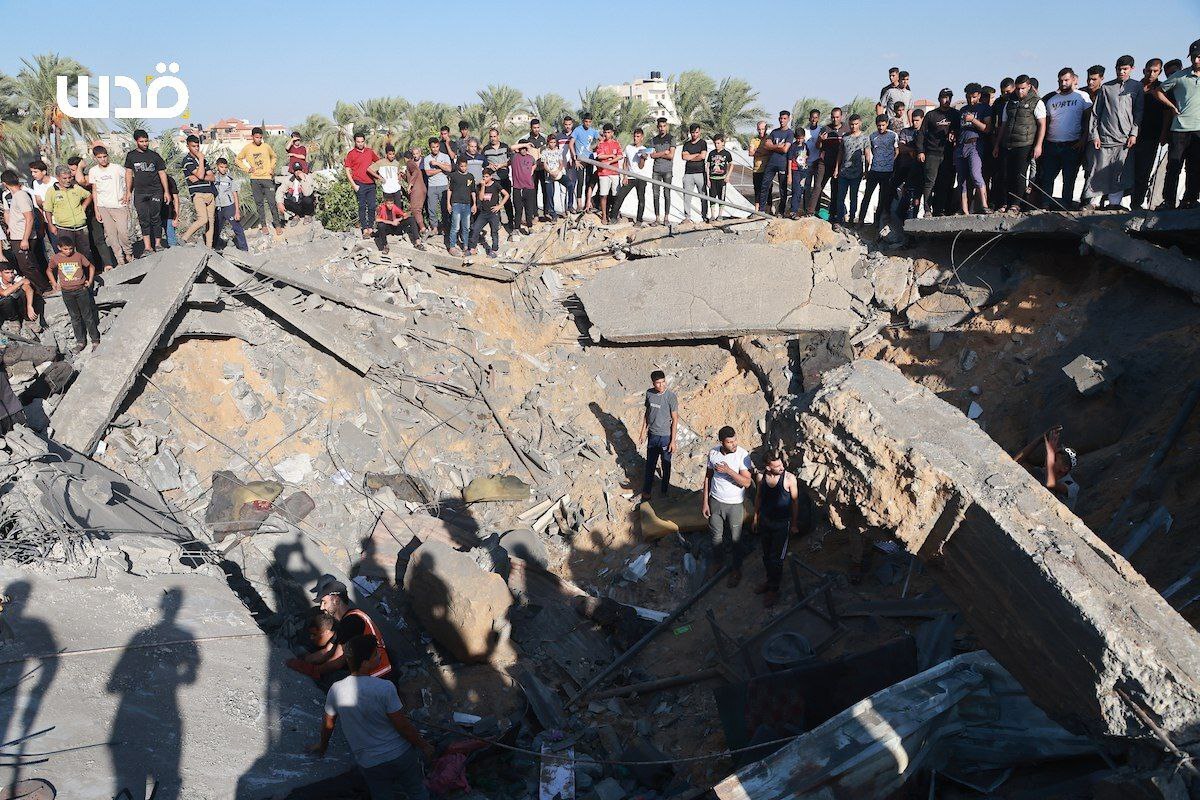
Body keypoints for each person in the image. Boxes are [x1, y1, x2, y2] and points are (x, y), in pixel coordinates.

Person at [310, 635, 434, 800]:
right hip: (400, 755)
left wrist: (322, 746)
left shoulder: (336, 690)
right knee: (417, 792)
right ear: (364, 663)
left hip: (370, 763)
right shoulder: (385, 688)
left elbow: (328, 723)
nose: (379, 656)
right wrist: (424, 745)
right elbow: (403, 727)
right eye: (375, 654)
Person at [290, 580, 392, 681]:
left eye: (324, 602)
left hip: (377, 676)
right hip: (366, 672)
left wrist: (313, 670)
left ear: (336, 600)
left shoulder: (352, 621)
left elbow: (337, 661)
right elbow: (328, 651)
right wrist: (304, 659)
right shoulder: (346, 620)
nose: (321, 607)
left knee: (331, 678)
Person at [1085, 56, 1143, 210]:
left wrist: (1134, 134)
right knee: (1098, 170)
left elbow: (1138, 113)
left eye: (1125, 69)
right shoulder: (1106, 87)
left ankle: (1114, 204)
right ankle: (1093, 203)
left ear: (1132, 69)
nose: (1122, 72)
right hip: (1104, 137)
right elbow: (1096, 113)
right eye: (1119, 69)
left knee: (1120, 172)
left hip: (1124, 139)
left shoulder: (1136, 87)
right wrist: (1095, 135)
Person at [752, 452, 807, 608]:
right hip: (766, 521)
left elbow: (795, 502)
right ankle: (769, 581)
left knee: (777, 558)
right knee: (766, 555)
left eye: (781, 464)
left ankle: (774, 589)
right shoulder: (761, 477)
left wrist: (794, 523)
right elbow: (759, 497)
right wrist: (756, 517)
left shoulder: (789, 479)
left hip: (782, 524)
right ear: (768, 467)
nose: (782, 468)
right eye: (777, 466)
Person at [702, 425, 752, 588]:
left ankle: (736, 569)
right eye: (730, 442)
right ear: (722, 442)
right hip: (716, 501)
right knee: (716, 536)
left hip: (735, 505)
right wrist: (705, 502)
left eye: (735, 440)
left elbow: (747, 482)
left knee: (736, 539)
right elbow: (708, 477)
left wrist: (729, 470)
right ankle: (718, 563)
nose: (734, 444)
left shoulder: (742, 455)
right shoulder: (714, 453)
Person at [1038, 69, 1091, 209]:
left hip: (1072, 144)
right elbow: (1047, 122)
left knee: (1069, 178)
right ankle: (1046, 204)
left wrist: (1083, 139)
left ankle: (1066, 204)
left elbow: (1088, 120)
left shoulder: (1082, 97)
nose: (1063, 83)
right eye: (1061, 81)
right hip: (1052, 143)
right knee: (1048, 176)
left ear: (1073, 80)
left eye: (1066, 80)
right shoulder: (1052, 99)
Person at [994, 77, 1045, 213]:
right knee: (1004, 174)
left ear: (1029, 87)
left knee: (1019, 175)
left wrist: (1038, 145)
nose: (1020, 91)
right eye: (1018, 89)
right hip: (1007, 143)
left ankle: (1016, 204)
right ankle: (1004, 203)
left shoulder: (1037, 102)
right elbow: (1003, 124)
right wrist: (997, 144)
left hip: (1025, 143)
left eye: (1023, 88)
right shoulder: (1009, 102)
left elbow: (1042, 124)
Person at [1159, 41, 1200, 210]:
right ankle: (1168, 201)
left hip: (1198, 130)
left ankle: (1189, 199)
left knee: (1195, 167)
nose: (1196, 60)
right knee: (1174, 166)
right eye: (1193, 57)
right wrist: (1172, 106)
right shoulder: (1180, 75)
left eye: (1199, 57)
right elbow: (1159, 91)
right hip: (1179, 128)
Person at [46, 239, 99, 353]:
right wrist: (54, 283)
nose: (69, 251)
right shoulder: (56, 258)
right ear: (59, 247)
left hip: (81, 290)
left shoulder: (78, 256)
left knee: (88, 315)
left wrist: (90, 281)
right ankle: (80, 342)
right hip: (67, 292)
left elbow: (91, 266)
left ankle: (95, 340)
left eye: (71, 248)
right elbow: (49, 270)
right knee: (75, 317)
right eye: (65, 249)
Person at [1130, 59, 1169, 210]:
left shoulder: (1162, 88)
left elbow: (1167, 113)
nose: (1151, 74)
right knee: (1125, 170)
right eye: (1149, 71)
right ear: (1144, 70)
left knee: (1143, 171)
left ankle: (1137, 203)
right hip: (1130, 135)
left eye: (1155, 71)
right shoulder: (1135, 87)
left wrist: (1163, 134)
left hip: (1151, 136)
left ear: (1159, 72)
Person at [1, 171, 48, 293]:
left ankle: (43, 287)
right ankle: (39, 288)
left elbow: (30, 217)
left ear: (5, 183)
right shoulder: (14, 196)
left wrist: (25, 239)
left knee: (27, 266)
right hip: (17, 236)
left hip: (24, 237)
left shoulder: (21, 196)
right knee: (26, 265)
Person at [123, 129, 169, 253]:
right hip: (140, 192)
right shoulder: (131, 156)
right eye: (141, 141)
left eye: (146, 141)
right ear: (136, 141)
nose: (145, 143)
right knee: (143, 219)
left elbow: (162, 173)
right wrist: (128, 191)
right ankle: (147, 247)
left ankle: (158, 244)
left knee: (155, 217)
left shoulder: (154, 156)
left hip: (155, 191)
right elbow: (128, 173)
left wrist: (166, 191)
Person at [1014, 426, 1080, 511]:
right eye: (1050, 456)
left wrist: (1050, 451)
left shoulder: (1072, 486)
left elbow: (1051, 484)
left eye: (1054, 459)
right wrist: (1040, 439)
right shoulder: (1041, 472)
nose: (1049, 458)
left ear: (1064, 468)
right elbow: (1013, 464)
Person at [85, 146, 132, 265]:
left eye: (105, 156)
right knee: (111, 235)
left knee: (123, 232)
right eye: (100, 157)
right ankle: (119, 258)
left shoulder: (116, 168)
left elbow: (129, 177)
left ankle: (128, 252)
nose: (103, 159)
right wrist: (96, 209)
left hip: (119, 205)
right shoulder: (93, 171)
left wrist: (127, 193)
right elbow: (94, 191)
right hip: (103, 206)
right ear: (95, 158)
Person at [917, 89, 960, 216]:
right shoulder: (931, 115)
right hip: (932, 153)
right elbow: (921, 134)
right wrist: (920, 151)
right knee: (930, 182)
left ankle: (940, 210)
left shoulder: (955, 114)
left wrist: (954, 134)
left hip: (948, 154)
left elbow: (960, 130)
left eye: (949, 98)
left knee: (945, 183)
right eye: (944, 97)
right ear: (939, 99)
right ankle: (927, 209)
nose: (947, 100)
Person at [637, 369, 677, 502]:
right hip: (652, 436)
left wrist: (673, 441)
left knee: (666, 465)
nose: (661, 385)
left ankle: (664, 490)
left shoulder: (671, 397)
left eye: (663, 382)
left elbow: (675, 419)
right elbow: (647, 414)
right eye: (658, 383)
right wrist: (643, 432)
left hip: (665, 436)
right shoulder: (649, 394)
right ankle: (647, 493)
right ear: (653, 383)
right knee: (650, 465)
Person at [237, 126, 284, 239]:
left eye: (260, 137)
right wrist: (247, 169)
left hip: (267, 178)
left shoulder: (266, 147)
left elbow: (274, 157)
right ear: (252, 137)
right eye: (257, 137)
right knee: (259, 203)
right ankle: (263, 225)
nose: (259, 139)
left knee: (272, 202)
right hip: (254, 179)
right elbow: (238, 159)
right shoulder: (247, 148)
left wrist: (272, 168)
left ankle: (277, 225)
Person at [42, 165, 94, 264]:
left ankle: (88, 276)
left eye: (70, 177)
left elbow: (89, 195)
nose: (68, 180)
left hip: (80, 227)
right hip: (64, 228)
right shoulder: (51, 191)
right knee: (68, 256)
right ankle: (74, 278)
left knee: (85, 254)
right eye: (64, 178)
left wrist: (84, 206)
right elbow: (47, 210)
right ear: (57, 178)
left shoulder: (75, 187)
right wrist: (51, 225)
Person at [956, 84, 993, 215]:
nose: (971, 100)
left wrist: (973, 120)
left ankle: (984, 205)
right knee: (962, 180)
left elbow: (987, 129)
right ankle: (964, 210)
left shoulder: (984, 108)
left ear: (979, 96)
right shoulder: (963, 109)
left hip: (975, 144)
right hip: (961, 145)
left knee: (976, 175)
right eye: (968, 97)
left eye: (974, 97)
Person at [805, 108, 845, 218]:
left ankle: (833, 215)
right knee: (818, 186)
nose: (835, 119)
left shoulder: (846, 129)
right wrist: (821, 140)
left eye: (837, 117)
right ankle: (810, 211)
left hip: (838, 163)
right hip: (824, 162)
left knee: (835, 188)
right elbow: (818, 146)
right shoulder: (825, 128)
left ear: (841, 117)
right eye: (833, 117)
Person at [178, 135, 216, 246]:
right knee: (203, 219)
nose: (196, 149)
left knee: (211, 222)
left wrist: (200, 177)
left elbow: (212, 177)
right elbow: (200, 174)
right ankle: (184, 238)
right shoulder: (187, 160)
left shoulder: (204, 161)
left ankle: (209, 247)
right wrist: (201, 161)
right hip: (198, 194)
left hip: (210, 193)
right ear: (188, 146)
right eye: (193, 146)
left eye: (197, 146)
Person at [861, 115, 899, 224]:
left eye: (883, 125)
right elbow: (870, 151)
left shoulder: (893, 136)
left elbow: (896, 151)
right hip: (874, 170)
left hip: (887, 171)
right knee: (867, 196)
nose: (881, 128)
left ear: (887, 124)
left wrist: (891, 162)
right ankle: (860, 220)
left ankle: (877, 222)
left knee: (882, 198)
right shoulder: (873, 136)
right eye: (878, 126)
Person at [344, 134, 380, 239]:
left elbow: (378, 162)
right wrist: (354, 185)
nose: (360, 143)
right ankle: (365, 230)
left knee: (372, 206)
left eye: (362, 141)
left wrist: (376, 173)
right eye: (358, 142)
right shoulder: (351, 154)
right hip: (359, 184)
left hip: (371, 184)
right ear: (355, 142)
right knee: (362, 207)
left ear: (364, 141)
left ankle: (371, 228)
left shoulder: (369, 152)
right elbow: (347, 170)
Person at [835, 115, 869, 224]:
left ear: (860, 123)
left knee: (853, 197)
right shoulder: (845, 137)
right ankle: (840, 219)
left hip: (857, 173)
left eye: (855, 124)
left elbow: (867, 154)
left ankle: (851, 219)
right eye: (851, 124)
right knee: (840, 197)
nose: (853, 126)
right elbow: (840, 153)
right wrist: (836, 169)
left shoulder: (864, 137)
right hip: (844, 172)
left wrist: (866, 170)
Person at [759, 111, 795, 215]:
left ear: (788, 119)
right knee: (764, 185)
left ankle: (781, 211)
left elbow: (785, 149)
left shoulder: (789, 133)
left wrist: (773, 147)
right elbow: (766, 145)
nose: (782, 120)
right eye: (781, 118)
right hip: (771, 163)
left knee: (782, 189)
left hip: (782, 164)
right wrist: (777, 146)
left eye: (784, 118)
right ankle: (761, 209)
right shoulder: (774, 132)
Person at [614, 127, 651, 225]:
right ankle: (613, 216)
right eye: (635, 136)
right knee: (620, 196)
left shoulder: (644, 149)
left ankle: (639, 220)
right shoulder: (628, 148)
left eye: (638, 136)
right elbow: (625, 163)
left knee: (641, 199)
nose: (636, 138)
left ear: (642, 137)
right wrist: (624, 176)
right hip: (629, 177)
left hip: (641, 177)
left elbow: (641, 166)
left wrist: (643, 158)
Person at [789, 109, 822, 218]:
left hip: (817, 163)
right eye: (812, 117)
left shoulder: (821, 130)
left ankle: (813, 210)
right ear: (809, 118)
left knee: (817, 187)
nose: (814, 119)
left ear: (818, 118)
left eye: (816, 117)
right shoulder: (805, 131)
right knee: (805, 188)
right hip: (804, 166)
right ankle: (803, 210)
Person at [894, 108, 925, 219]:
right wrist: (912, 150)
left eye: (917, 120)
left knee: (917, 198)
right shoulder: (906, 131)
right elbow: (901, 147)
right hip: (906, 169)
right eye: (913, 120)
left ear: (922, 119)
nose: (914, 123)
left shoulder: (926, 133)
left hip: (921, 170)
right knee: (905, 195)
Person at [468, 166, 506, 258]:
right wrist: (483, 186)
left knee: (494, 231)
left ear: (491, 177)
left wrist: (500, 206)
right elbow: (481, 198)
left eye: (486, 176)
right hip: (483, 213)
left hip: (493, 213)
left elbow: (506, 195)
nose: (485, 178)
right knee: (476, 228)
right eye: (483, 176)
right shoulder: (481, 186)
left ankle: (494, 250)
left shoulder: (496, 185)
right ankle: (472, 248)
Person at [212, 158, 248, 252]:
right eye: (221, 167)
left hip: (229, 206)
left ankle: (244, 249)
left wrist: (237, 211)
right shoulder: (212, 178)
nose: (223, 169)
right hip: (217, 207)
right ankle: (215, 247)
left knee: (237, 227)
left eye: (225, 167)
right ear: (217, 166)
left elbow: (235, 195)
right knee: (216, 228)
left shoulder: (230, 179)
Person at [592, 125, 623, 225]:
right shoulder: (601, 144)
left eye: (609, 132)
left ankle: (614, 214)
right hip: (603, 172)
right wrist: (610, 156)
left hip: (614, 172)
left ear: (612, 133)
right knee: (603, 195)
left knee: (615, 194)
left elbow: (620, 156)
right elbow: (600, 156)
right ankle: (604, 216)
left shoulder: (616, 143)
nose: (607, 134)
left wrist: (610, 162)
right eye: (605, 132)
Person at [483, 128, 514, 228]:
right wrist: (489, 166)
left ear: (498, 136)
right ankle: (497, 222)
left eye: (494, 136)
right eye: (491, 136)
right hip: (494, 179)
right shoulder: (486, 149)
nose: (493, 138)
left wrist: (502, 165)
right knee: (495, 201)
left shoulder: (505, 147)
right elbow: (484, 163)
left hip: (504, 177)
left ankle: (510, 221)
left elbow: (511, 160)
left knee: (507, 200)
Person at [446, 156, 476, 257]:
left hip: (467, 204)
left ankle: (466, 246)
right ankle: (452, 246)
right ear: (458, 166)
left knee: (466, 227)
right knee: (456, 227)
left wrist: (474, 204)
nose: (464, 168)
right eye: (462, 166)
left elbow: (473, 191)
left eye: (465, 166)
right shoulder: (454, 176)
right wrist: (448, 203)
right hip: (456, 204)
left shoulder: (470, 176)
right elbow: (449, 190)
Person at [422, 138, 452, 237]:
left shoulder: (445, 156)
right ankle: (434, 227)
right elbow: (428, 173)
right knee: (432, 209)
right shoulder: (426, 159)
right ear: (430, 147)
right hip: (432, 187)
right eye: (433, 147)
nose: (435, 149)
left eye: (437, 147)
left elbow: (449, 169)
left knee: (444, 208)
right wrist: (440, 170)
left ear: (439, 146)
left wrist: (437, 164)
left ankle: (444, 227)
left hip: (443, 185)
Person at [648, 118, 675, 223]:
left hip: (667, 170)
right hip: (656, 170)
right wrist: (664, 152)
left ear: (667, 126)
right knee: (656, 194)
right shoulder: (654, 140)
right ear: (657, 127)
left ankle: (666, 217)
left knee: (667, 194)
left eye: (664, 126)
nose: (662, 128)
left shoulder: (671, 138)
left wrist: (659, 154)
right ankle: (657, 217)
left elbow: (671, 155)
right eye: (660, 126)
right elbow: (652, 155)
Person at [509, 140, 539, 234]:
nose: (523, 150)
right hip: (517, 187)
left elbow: (534, 164)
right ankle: (517, 228)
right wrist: (525, 144)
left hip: (529, 187)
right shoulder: (515, 157)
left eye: (525, 148)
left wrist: (532, 170)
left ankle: (529, 227)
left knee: (529, 209)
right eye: (521, 148)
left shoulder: (530, 158)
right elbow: (511, 147)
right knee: (518, 209)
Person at [679, 124, 709, 222]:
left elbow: (703, 156)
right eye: (693, 132)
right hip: (688, 173)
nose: (695, 134)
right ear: (690, 133)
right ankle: (687, 217)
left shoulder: (703, 143)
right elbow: (684, 157)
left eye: (697, 132)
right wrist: (697, 155)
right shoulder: (686, 144)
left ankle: (704, 216)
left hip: (700, 172)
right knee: (687, 196)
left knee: (703, 195)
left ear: (699, 132)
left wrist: (691, 156)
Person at [572, 114, 601, 212]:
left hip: (590, 159)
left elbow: (601, 140)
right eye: (586, 121)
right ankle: (579, 205)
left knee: (588, 182)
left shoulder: (593, 131)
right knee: (580, 182)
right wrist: (575, 158)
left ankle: (587, 204)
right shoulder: (577, 130)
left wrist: (597, 148)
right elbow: (571, 144)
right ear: (583, 121)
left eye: (589, 122)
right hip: (580, 160)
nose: (587, 123)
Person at [539, 133, 566, 221]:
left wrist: (557, 171)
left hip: (558, 174)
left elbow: (561, 163)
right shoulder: (544, 152)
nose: (552, 144)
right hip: (548, 175)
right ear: (548, 142)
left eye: (554, 142)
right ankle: (552, 212)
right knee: (550, 194)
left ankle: (564, 210)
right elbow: (544, 164)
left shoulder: (558, 151)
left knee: (563, 191)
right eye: (551, 142)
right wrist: (550, 172)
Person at [706, 134, 733, 222]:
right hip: (712, 178)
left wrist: (728, 176)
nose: (716, 145)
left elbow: (731, 164)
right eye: (715, 143)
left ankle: (720, 215)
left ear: (723, 143)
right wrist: (708, 179)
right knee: (712, 197)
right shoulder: (712, 153)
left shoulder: (727, 153)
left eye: (718, 143)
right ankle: (713, 215)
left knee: (722, 197)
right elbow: (708, 165)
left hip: (722, 179)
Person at [404, 146, 428, 237]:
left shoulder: (410, 163)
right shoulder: (413, 163)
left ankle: (423, 229)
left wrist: (410, 185)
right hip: (421, 188)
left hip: (417, 189)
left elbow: (416, 172)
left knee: (415, 209)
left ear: (405, 158)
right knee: (416, 209)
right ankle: (421, 228)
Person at [748, 120, 770, 211]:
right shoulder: (754, 140)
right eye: (759, 129)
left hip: (767, 169)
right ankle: (757, 210)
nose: (761, 131)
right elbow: (750, 152)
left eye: (763, 129)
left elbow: (768, 150)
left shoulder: (769, 139)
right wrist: (762, 151)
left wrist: (757, 151)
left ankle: (768, 210)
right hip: (757, 169)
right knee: (757, 190)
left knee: (767, 190)